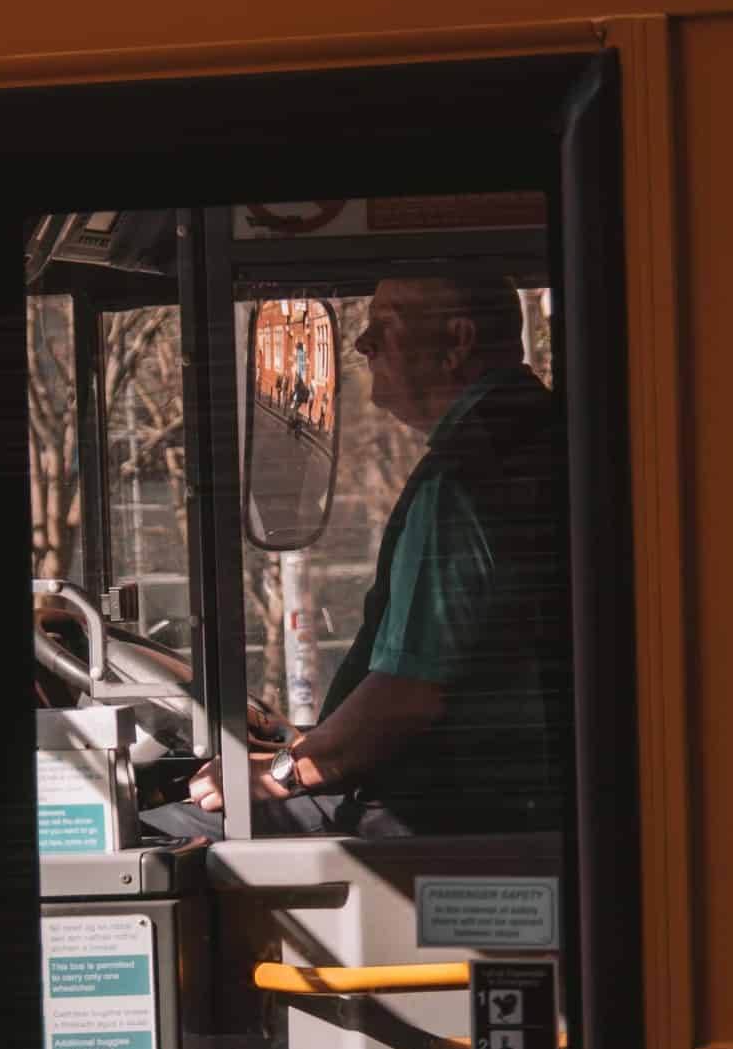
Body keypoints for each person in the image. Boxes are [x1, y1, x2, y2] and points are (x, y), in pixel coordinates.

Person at [147, 273, 567, 840]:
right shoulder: (542, 437)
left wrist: (281, 771)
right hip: (513, 797)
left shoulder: (465, 480)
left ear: (458, 341)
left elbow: (406, 698)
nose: (362, 343)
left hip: (445, 807)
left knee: (161, 828)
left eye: (384, 326)